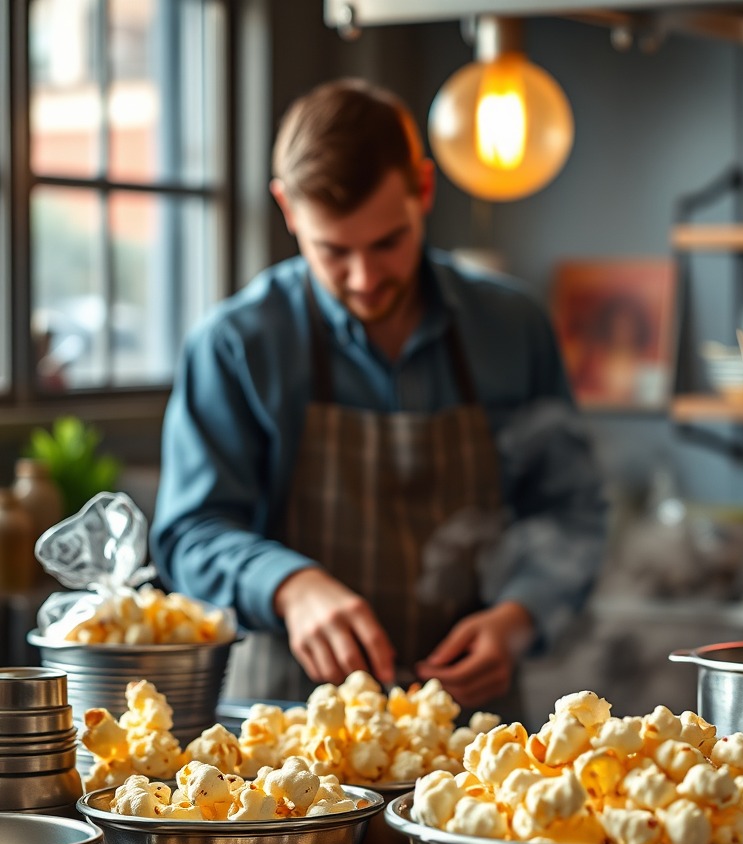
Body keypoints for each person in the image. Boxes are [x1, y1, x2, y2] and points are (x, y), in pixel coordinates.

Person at [150, 77, 608, 719]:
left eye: (387, 243)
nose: (364, 279)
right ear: (287, 209)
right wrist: (290, 585)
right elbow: (189, 533)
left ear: (422, 189)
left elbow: (571, 509)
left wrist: (519, 615)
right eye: (332, 251)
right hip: (288, 739)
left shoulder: (512, 328)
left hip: (475, 739)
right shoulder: (237, 344)